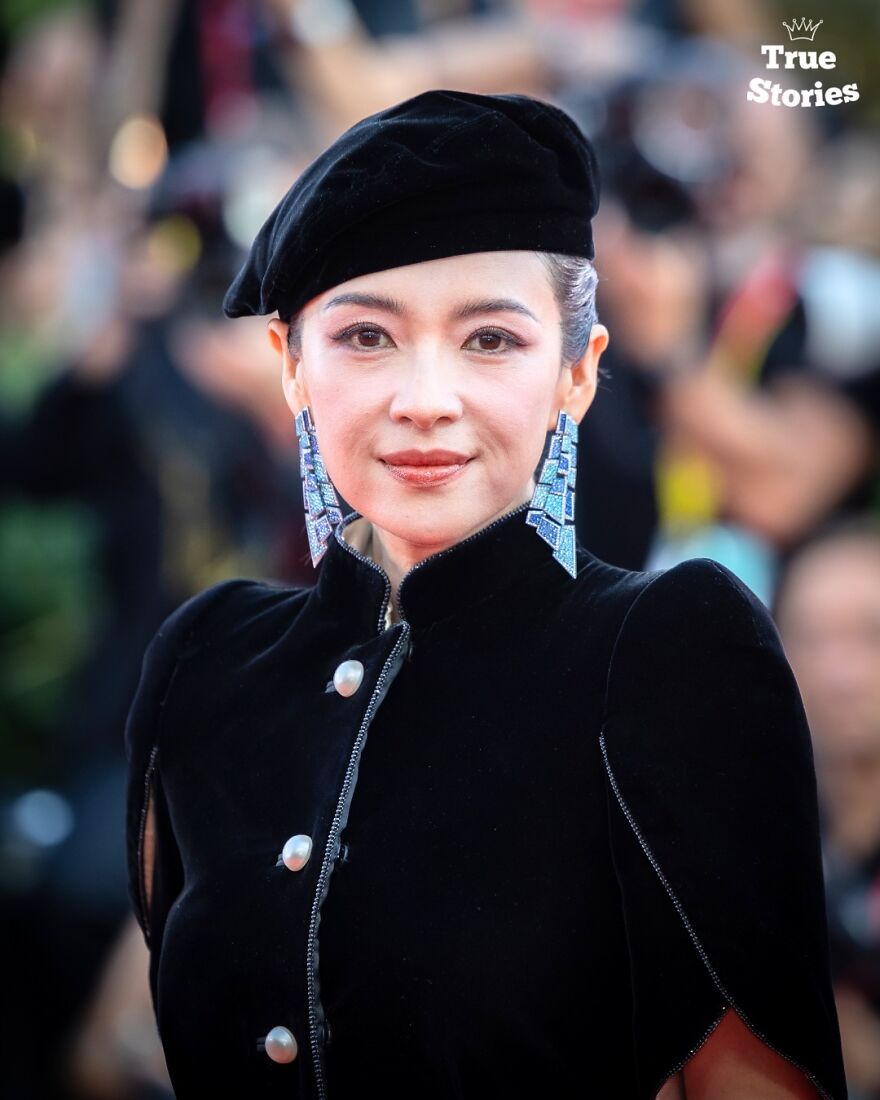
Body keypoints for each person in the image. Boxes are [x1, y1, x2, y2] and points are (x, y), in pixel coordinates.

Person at [124, 89, 848, 1099]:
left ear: (577, 374)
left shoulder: (667, 649)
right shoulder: (206, 658)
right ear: (291, 363)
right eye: (365, 336)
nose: (425, 397)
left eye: (490, 339)